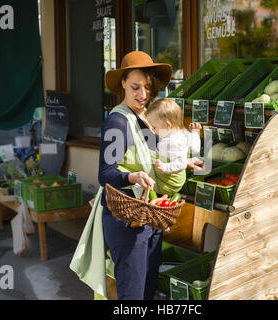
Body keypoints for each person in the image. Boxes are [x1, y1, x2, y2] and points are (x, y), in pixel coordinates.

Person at [98, 51, 203, 300]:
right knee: (133, 296)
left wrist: (183, 160)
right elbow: (105, 174)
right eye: (135, 87)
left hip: (148, 217)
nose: (142, 94)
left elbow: (152, 158)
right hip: (127, 221)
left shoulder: (144, 118)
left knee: (146, 292)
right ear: (122, 83)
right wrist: (131, 178)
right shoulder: (118, 123)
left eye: (146, 87)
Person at [145, 98, 202, 176]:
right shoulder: (179, 133)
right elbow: (195, 149)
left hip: (171, 175)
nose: (152, 131)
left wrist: (165, 167)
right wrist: (194, 134)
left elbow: (181, 164)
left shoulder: (174, 142)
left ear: (167, 125)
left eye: (154, 127)